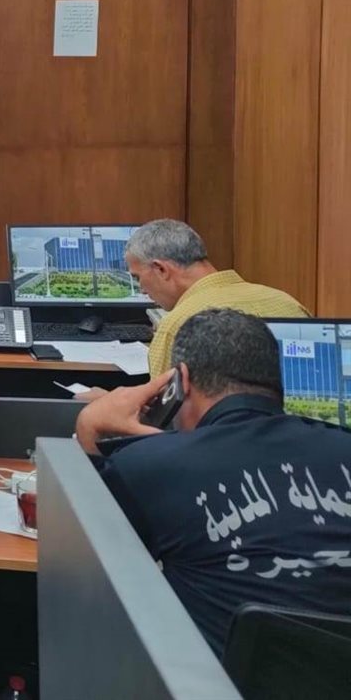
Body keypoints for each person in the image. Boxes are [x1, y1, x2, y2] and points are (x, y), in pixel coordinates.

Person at [75, 309, 351, 654]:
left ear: (180, 382)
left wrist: (89, 428)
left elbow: (85, 571)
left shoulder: (149, 466)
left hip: (216, 680)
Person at [125, 219, 309, 376]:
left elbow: (163, 405)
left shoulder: (178, 324)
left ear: (161, 269)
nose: (142, 290)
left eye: (138, 278)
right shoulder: (288, 302)